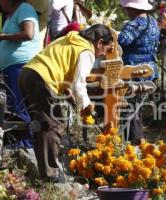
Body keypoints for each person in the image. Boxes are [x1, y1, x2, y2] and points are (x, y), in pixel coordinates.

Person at [19, 24, 113, 182]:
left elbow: (61, 63)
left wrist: (66, 88)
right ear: (100, 42)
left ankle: (45, 173)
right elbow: (79, 84)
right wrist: (87, 105)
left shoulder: (70, 39)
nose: (103, 54)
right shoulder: (86, 50)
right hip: (42, 78)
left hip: (27, 74)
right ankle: (52, 176)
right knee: (53, 125)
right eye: (106, 49)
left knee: (41, 126)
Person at [118, 0, 160, 144]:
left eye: (127, 9)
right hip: (149, 70)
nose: (125, 11)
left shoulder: (134, 24)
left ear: (132, 8)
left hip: (133, 71)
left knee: (128, 108)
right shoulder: (152, 21)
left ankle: (136, 142)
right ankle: (137, 140)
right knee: (137, 107)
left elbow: (121, 41)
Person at [0, 0, 41, 147]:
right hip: (11, 67)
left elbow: (28, 33)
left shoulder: (24, 9)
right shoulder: (11, 15)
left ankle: (26, 142)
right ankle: (18, 140)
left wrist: (3, 36)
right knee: (14, 106)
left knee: (21, 105)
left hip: (22, 65)